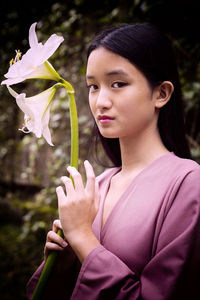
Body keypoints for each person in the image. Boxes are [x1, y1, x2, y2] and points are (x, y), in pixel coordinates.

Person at [27, 23, 200, 300]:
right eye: (93, 86)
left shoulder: (189, 183)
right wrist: (62, 262)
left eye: (118, 84)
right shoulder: (98, 184)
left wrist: (84, 238)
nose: (100, 102)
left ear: (162, 94)